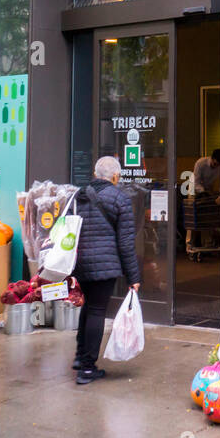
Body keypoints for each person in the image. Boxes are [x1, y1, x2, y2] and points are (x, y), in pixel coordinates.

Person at [72, 156, 140, 385]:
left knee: (88, 308)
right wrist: (134, 277)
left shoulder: (79, 195)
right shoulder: (120, 198)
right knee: (97, 311)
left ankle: (80, 358)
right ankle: (88, 369)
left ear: (94, 173)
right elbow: (126, 242)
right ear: (115, 177)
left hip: (80, 264)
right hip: (105, 265)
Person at [189, 148, 220, 254]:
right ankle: (190, 244)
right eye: (214, 164)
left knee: (207, 217)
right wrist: (203, 193)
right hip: (195, 189)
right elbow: (196, 181)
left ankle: (207, 242)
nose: (215, 166)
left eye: (218, 165)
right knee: (191, 217)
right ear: (212, 158)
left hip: (207, 188)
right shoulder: (201, 163)